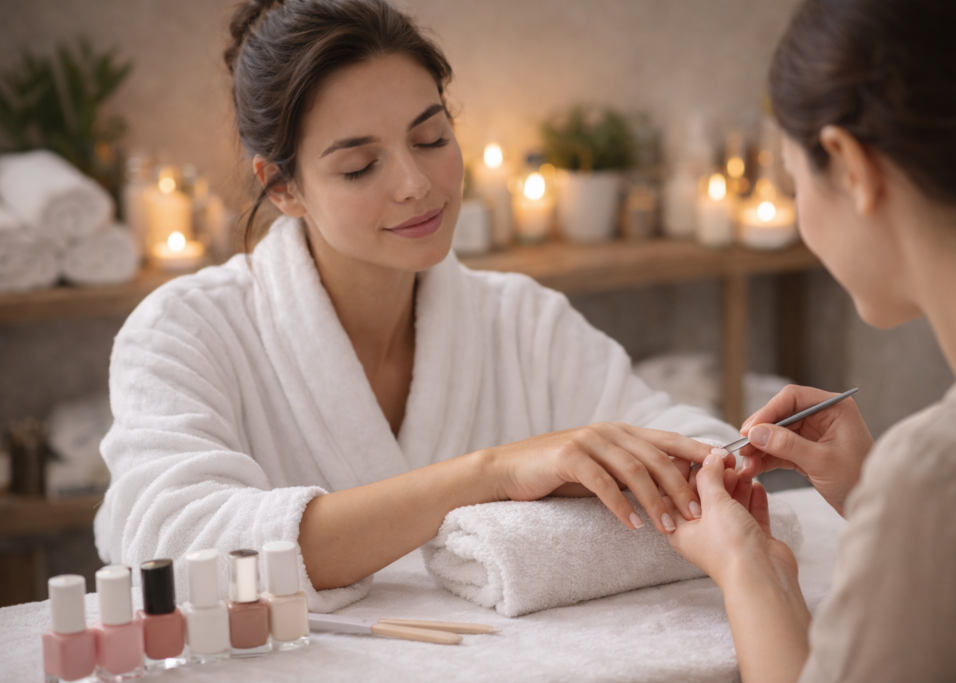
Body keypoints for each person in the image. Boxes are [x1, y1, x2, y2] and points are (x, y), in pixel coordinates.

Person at [94, 0, 738, 612]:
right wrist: (493, 475)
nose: (416, 185)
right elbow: (169, 547)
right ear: (283, 187)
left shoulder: (523, 320)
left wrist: (606, 479)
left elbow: (698, 462)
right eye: (359, 166)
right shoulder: (182, 330)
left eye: (430, 138)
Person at [665, 0, 956, 680]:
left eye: (792, 177)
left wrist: (745, 566)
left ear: (849, 165)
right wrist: (877, 505)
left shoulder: (949, 472)